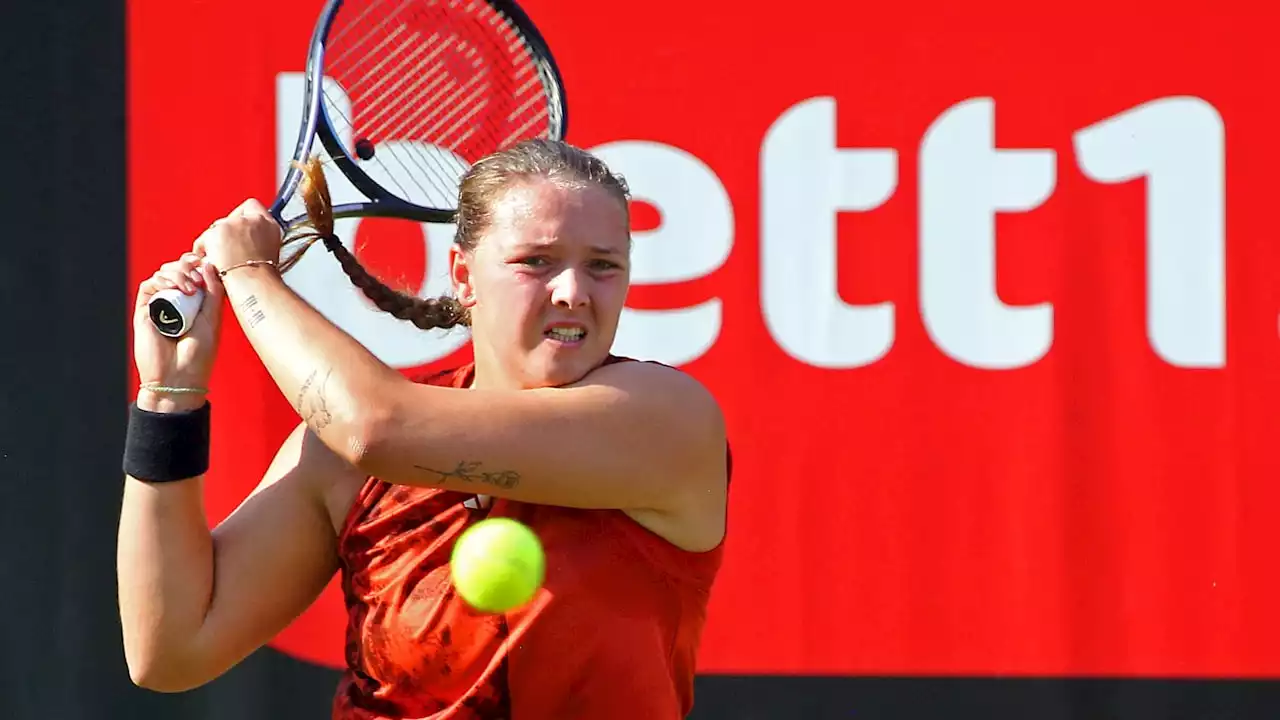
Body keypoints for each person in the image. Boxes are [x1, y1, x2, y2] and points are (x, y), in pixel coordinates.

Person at [118, 139, 731, 720]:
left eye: (602, 266)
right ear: (463, 277)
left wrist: (249, 273)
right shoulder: (338, 460)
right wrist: (170, 395)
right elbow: (171, 649)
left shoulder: (667, 421)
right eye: (536, 262)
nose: (572, 292)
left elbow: (374, 429)